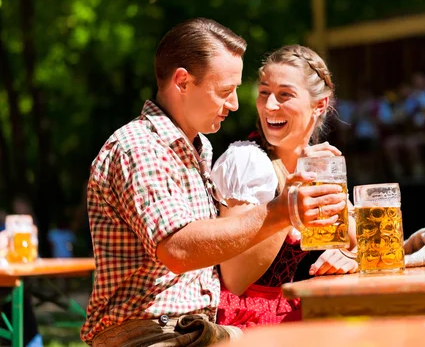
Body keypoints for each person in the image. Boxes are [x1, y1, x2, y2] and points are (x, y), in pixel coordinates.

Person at [81, 19, 347, 346]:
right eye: (225, 91)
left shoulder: (196, 147)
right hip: (146, 333)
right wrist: (282, 210)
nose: (236, 104)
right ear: (182, 82)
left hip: (193, 329)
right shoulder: (140, 148)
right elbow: (178, 248)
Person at [212, 45, 358, 328]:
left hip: (301, 315)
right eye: (264, 92)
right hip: (248, 324)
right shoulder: (248, 161)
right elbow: (235, 278)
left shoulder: (319, 167)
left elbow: (366, 241)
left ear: (319, 105)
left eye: (284, 95)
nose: (269, 106)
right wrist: (289, 204)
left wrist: (349, 254)